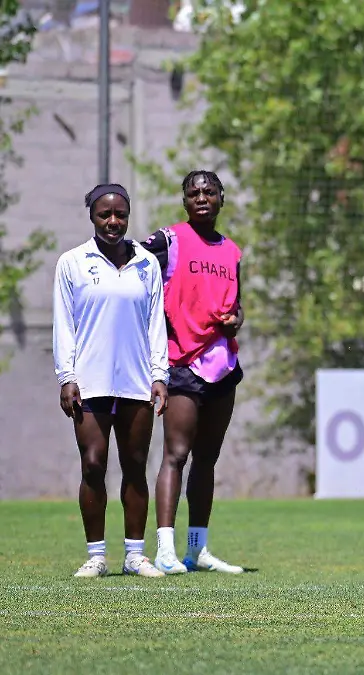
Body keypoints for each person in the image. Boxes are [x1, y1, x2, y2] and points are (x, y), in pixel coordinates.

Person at [53, 184, 169, 578]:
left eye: (120, 214)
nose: (113, 221)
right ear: (92, 216)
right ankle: (96, 556)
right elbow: (63, 324)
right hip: (89, 381)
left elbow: (156, 324)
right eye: (105, 214)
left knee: (135, 465)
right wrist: (67, 377)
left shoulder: (147, 264)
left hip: (137, 380)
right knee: (92, 464)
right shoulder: (72, 262)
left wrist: (160, 375)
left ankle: (135, 556)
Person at [142, 170, 246, 575]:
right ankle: (165, 550)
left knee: (207, 458)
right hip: (182, 362)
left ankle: (196, 549)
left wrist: (236, 321)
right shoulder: (168, 240)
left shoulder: (232, 251)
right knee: (176, 454)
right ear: (185, 201)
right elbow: (132, 268)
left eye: (209, 191)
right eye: (193, 192)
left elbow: (238, 306)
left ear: (221, 198)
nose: (202, 197)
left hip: (222, 365)